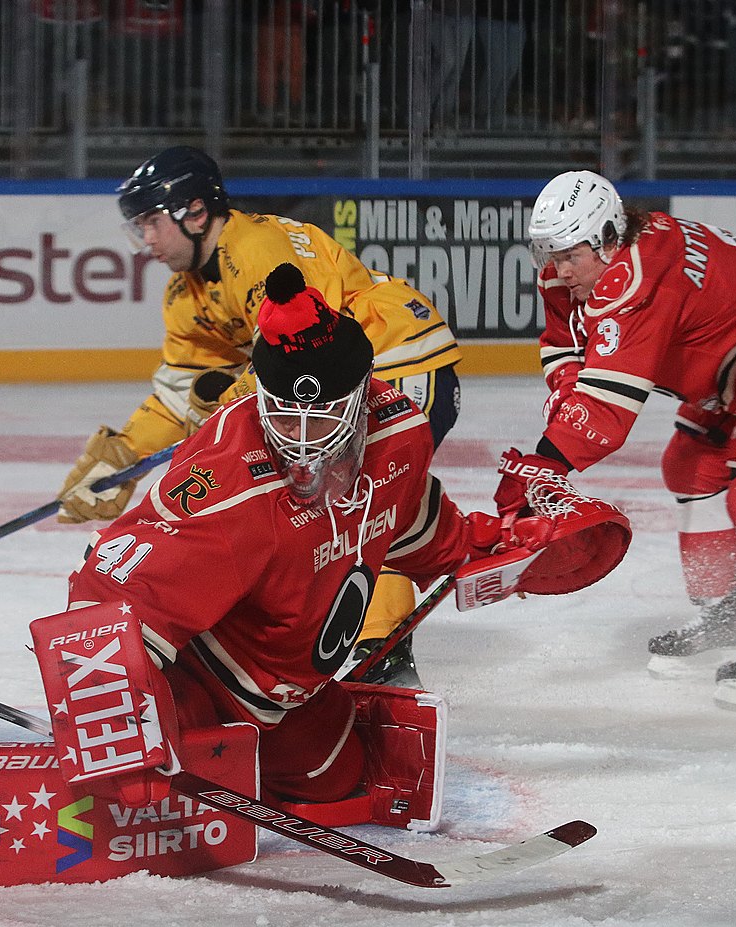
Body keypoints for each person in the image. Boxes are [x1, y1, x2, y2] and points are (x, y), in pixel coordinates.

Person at [0, 265, 579, 900]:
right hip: (199, 690)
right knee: (116, 809)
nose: (303, 438)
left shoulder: (400, 430)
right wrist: (127, 717)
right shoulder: (226, 484)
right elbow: (106, 597)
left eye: (324, 414)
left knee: (352, 788)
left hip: (301, 697)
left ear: (364, 394)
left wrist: (493, 548)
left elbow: (416, 526)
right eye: (285, 413)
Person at [56, 145, 462, 686]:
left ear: (195, 213)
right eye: (140, 227)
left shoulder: (260, 250)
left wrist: (220, 424)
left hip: (396, 358)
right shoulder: (185, 294)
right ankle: (343, 640)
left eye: (152, 222)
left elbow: (307, 352)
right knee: (308, 503)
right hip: (330, 391)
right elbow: (182, 395)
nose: (146, 240)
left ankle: (379, 656)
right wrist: (123, 453)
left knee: (353, 498)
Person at [497, 170, 736, 714]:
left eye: (570, 254)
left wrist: (541, 464)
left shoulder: (638, 279)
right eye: (546, 253)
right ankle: (725, 614)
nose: (558, 269)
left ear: (605, 238)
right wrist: (548, 452)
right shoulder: (574, 271)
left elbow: (607, 407)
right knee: (690, 467)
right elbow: (564, 349)